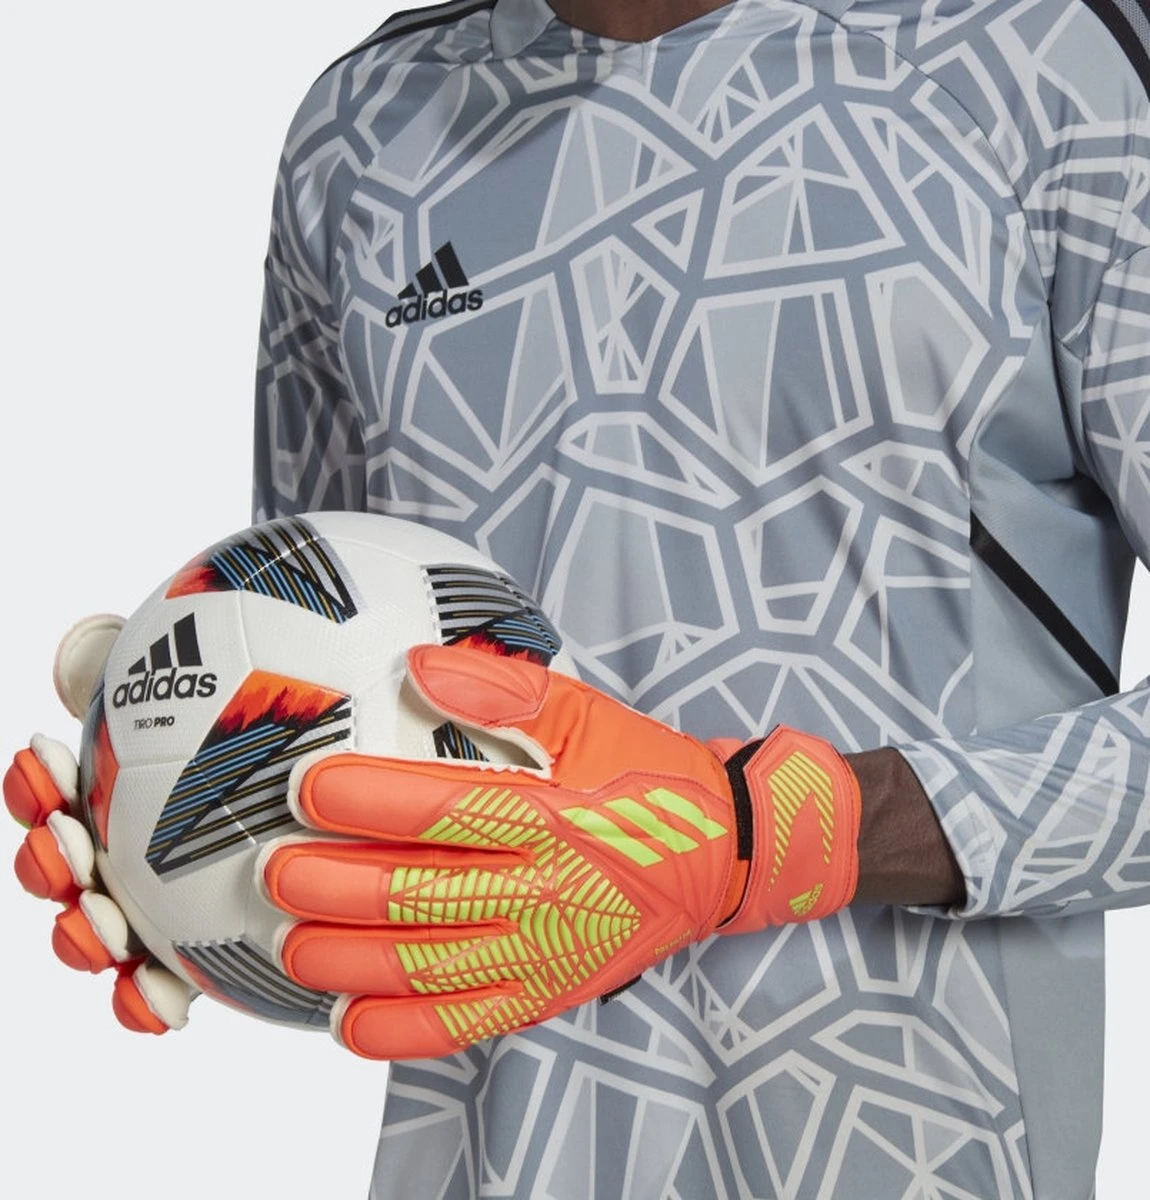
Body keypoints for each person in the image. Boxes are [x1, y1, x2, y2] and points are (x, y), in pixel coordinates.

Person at [9, 0, 1150, 1195]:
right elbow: (346, 700)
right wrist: (188, 824)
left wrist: (789, 832)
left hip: (915, 1154)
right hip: (484, 1160)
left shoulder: (1040, 58)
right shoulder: (364, 128)